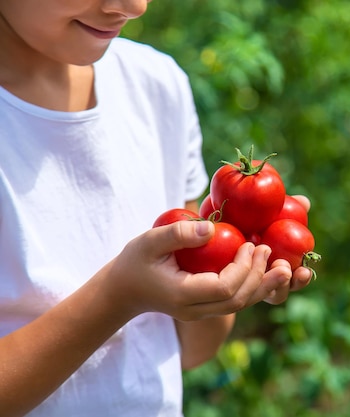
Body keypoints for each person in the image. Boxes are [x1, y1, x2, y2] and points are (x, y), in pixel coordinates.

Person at [0, 0, 313, 415]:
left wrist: (228, 281)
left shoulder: (156, 85)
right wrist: (118, 298)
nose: (134, 6)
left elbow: (185, 351)